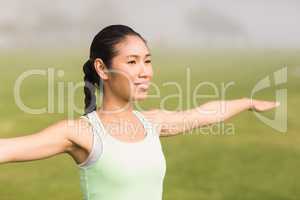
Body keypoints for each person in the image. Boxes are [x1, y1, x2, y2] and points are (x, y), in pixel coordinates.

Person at [0, 24, 279, 200]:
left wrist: (248, 102)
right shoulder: (81, 133)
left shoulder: (152, 123)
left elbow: (203, 113)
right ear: (101, 68)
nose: (144, 71)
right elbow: (9, 150)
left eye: (147, 60)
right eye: (132, 61)